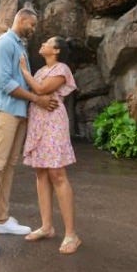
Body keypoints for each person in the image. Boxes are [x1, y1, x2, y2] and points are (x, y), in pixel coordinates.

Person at [0, 8, 59, 257]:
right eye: (31, 24)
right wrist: (36, 99)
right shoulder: (4, 43)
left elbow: (24, 79)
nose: (33, 29)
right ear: (21, 20)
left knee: (9, 165)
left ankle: (1, 219)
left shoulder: (20, 47)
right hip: (4, 110)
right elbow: (4, 82)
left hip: (20, 113)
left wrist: (34, 103)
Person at [19, 36, 82, 255]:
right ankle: (46, 226)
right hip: (38, 121)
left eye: (46, 43)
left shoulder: (61, 68)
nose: (42, 44)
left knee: (57, 173)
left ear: (55, 50)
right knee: (41, 173)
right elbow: (37, 90)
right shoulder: (40, 71)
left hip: (53, 122)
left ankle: (71, 234)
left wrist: (24, 71)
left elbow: (42, 89)